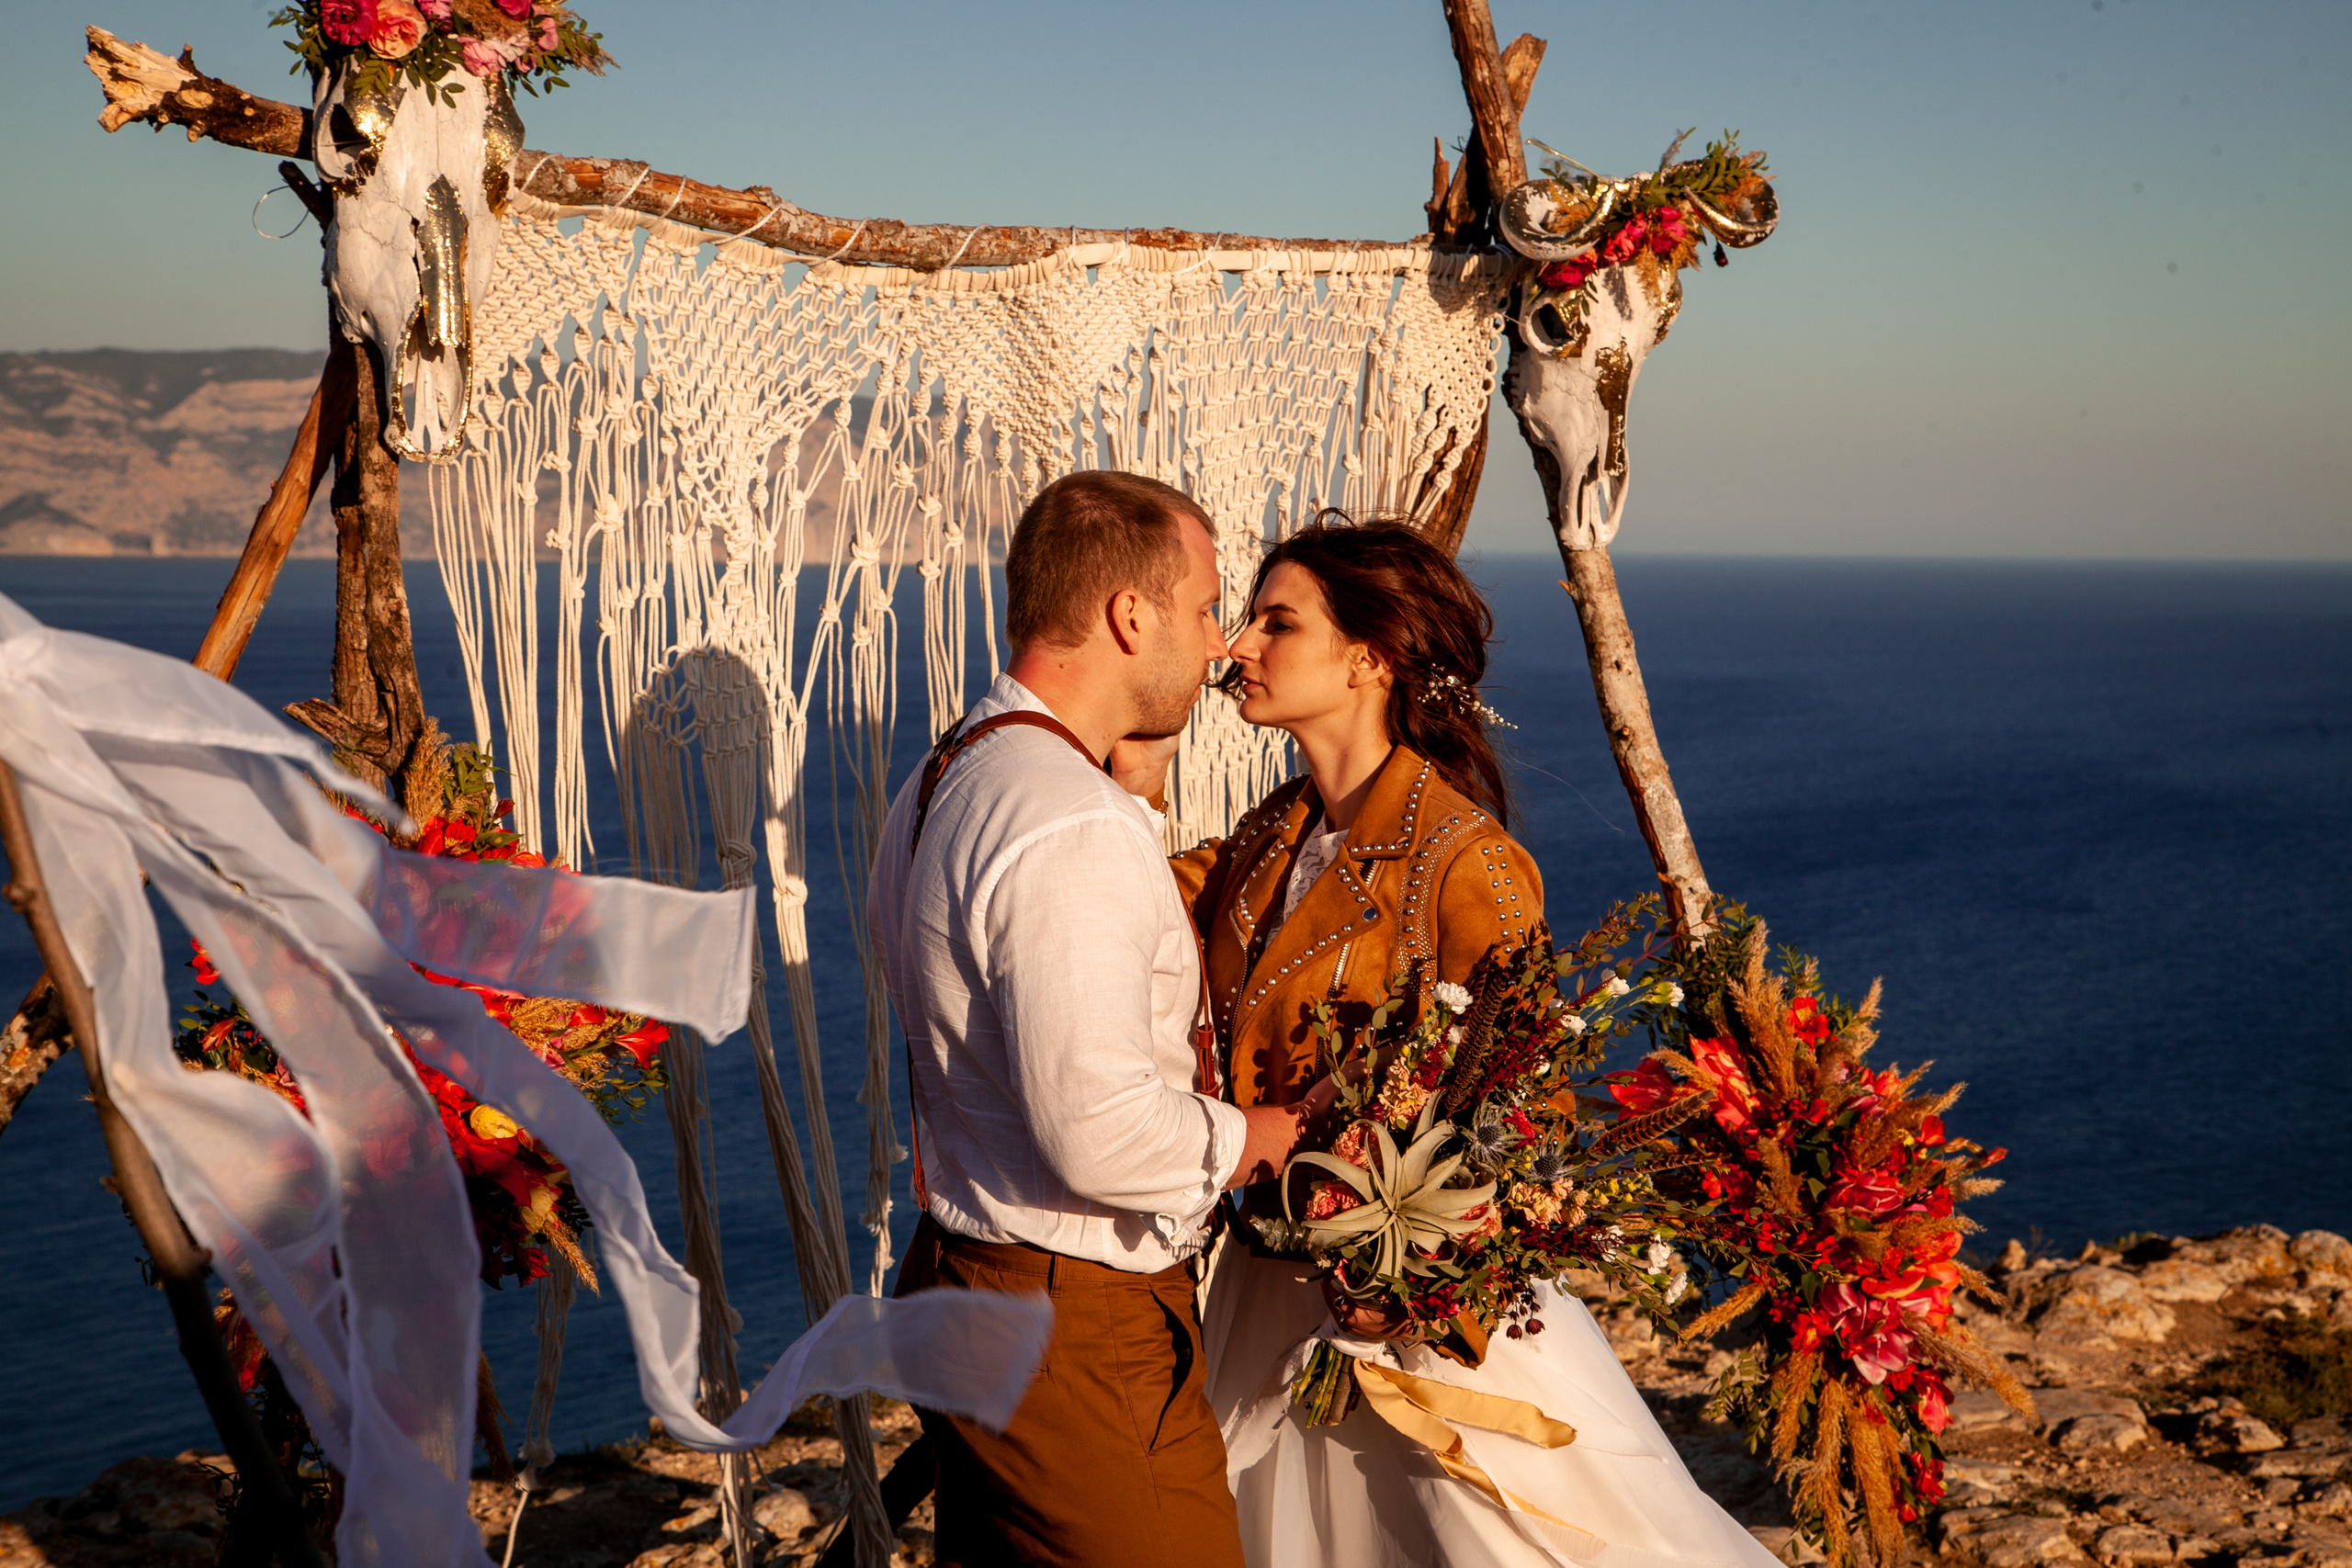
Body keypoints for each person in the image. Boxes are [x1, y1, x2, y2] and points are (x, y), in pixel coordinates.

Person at [1120, 516, 1781, 1568]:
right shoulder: (1269, 834)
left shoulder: (1463, 858)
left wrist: (1419, 1277)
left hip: (1425, 1312)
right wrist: (1127, 756)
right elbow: (1116, 902)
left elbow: (1531, 1106)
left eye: (1275, 622)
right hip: (1272, 1282)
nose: (1238, 645)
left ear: (1368, 657)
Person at [867, 470, 1337, 1568]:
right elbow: (1099, 1130)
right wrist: (1258, 1138)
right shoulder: (1069, 823)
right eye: (1206, 605)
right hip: (1072, 1321)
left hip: (968, 1276)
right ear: (1132, 616)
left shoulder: (955, 768)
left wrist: (1133, 785)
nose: (1219, 642)